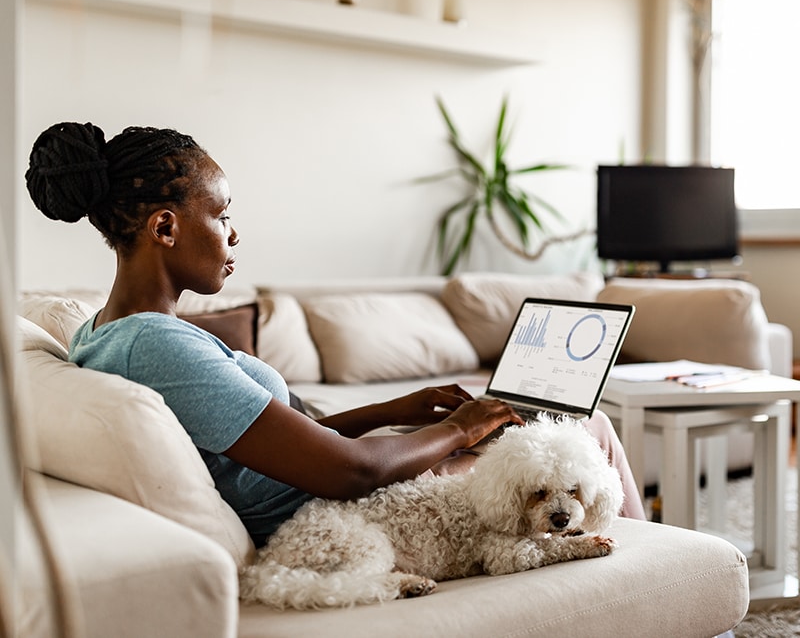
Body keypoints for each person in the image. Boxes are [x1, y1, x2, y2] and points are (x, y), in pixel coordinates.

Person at [25, 122, 646, 548]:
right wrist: (462, 428)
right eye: (221, 215)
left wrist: (394, 410)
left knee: (542, 426)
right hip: (341, 512)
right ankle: (654, 580)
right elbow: (345, 473)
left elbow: (277, 443)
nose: (233, 234)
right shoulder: (156, 346)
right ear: (165, 227)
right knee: (581, 429)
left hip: (325, 488)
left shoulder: (102, 333)